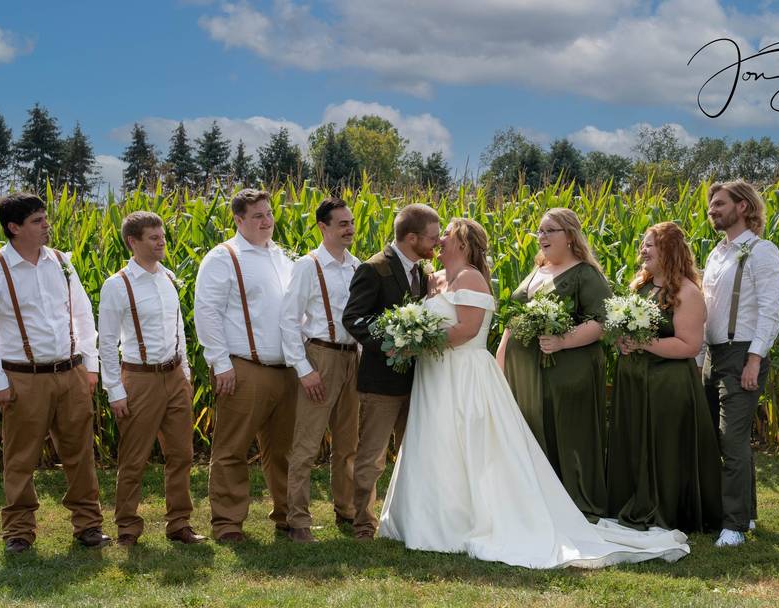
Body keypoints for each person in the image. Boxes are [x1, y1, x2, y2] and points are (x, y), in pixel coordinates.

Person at [379, 218, 689, 568]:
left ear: (464, 243)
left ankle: (463, 520)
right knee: (436, 442)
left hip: (468, 373)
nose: (439, 240)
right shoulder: (434, 278)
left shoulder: (476, 278)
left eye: (446, 235)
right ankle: (426, 516)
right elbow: (512, 320)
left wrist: (418, 341)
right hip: (438, 376)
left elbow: (467, 329)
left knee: (470, 442)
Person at [0, 193, 108, 553]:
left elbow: (83, 315)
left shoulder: (61, 262)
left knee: (80, 454)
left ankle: (88, 526)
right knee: (20, 457)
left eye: (45, 219)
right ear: (14, 228)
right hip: (22, 377)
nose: (47, 226)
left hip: (71, 372)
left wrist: (90, 366)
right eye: (37, 221)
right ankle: (19, 531)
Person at [194, 188, 296, 543]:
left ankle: (288, 515)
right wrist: (220, 363)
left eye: (268, 214)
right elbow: (206, 311)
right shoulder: (224, 257)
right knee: (232, 448)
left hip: (286, 370)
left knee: (285, 450)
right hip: (245, 368)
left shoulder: (281, 257)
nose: (266, 221)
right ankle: (227, 523)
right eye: (257, 216)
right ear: (238, 220)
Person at [495, 208, 611, 520]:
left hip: (567, 372)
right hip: (526, 374)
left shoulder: (585, 275)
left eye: (550, 231)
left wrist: (563, 341)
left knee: (567, 435)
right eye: (541, 231)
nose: (542, 237)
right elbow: (511, 320)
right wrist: (501, 361)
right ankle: (537, 499)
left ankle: (574, 501)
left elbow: (602, 322)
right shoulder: (536, 271)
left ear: (570, 236)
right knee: (532, 431)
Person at [606, 222, 723, 532]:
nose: (642, 250)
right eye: (643, 245)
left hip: (666, 384)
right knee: (635, 441)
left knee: (664, 447)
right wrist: (622, 340)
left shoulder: (686, 292)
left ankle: (667, 507)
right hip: (635, 380)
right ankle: (631, 498)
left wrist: (643, 343)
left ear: (669, 251)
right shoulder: (640, 287)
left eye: (650, 245)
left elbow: (689, 345)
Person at [99, 211, 205, 546]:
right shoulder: (118, 285)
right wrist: (114, 389)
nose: (162, 242)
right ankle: (128, 526)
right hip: (140, 378)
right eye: (153, 238)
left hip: (174, 376)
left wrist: (185, 373)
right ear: (133, 242)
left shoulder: (168, 278)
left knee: (182, 454)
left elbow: (178, 330)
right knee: (134, 457)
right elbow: (105, 342)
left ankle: (179, 523)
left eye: (162, 236)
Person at [342, 203, 441, 540]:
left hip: (418, 381)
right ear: (411, 237)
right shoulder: (374, 269)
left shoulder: (425, 273)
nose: (437, 243)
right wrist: (390, 340)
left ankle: (410, 519)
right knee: (371, 457)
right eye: (432, 237)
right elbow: (353, 318)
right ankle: (364, 523)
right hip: (381, 382)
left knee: (416, 452)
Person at [700, 180, 779, 547]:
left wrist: (754, 359)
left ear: (743, 207)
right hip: (713, 354)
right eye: (711, 205)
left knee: (731, 438)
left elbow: (770, 312)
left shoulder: (762, 252)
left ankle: (732, 526)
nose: (712, 210)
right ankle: (747, 515)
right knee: (725, 441)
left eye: (720, 203)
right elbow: (707, 313)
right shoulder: (716, 254)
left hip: (743, 352)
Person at [280, 197, 361, 543]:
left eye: (351, 222)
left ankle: (347, 510)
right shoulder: (307, 266)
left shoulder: (356, 266)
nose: (350, 229)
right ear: (323, 228)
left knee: (348, 442)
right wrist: (303, 368)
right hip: (320, 357)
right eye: (342, 224)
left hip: (352, 358)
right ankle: (297, 520)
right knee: (306, 444)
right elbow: (288, 319)